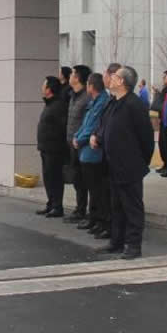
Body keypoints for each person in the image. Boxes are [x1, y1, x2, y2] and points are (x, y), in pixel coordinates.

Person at [91, 65, 153, 259]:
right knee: (116, 206)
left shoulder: (134, 105)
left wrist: (140, 163)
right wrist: (97, 137)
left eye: (114, 76)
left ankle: (133, 245)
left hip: (130, 166)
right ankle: (116, 242)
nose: (110, 78)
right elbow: (105, 126)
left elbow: (146, 139)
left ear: (122, 81)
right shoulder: (113, 102)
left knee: (132, 207)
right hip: (112, 164)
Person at [73, 72, 111, 239]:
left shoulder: (102, 102)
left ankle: (100, 221)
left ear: (91, 86)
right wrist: (77, 136)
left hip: (93, 152)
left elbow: (93, 126)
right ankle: (94, 219)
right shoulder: (94, 102)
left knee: (98, 190)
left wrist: (80, 139)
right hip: (85, 151)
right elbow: (85, 124)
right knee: (92, 189)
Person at [35, 75, 69, 218]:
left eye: (44, 85)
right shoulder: (49, 104)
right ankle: (51, 203)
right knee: (48, 177)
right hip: (45, 148)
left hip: (54, 149)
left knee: (55, 178)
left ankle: (57, 206)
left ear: (49, 89)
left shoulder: (59, 105)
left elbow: (62, 128)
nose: (42, 88)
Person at [64, 65, 92, 223]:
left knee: (85, 180)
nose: (70, 76)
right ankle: (80, 208)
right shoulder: (73, 95)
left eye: (72, 74)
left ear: (78, 78)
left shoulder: (87, 98)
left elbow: (88, 124)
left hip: (82, 145)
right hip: (71, 144)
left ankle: (85, 211)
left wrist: (80, 139)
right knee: (77, 179)